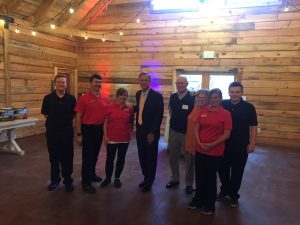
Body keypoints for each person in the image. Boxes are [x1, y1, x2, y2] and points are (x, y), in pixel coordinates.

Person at [187, 88, 232, 215]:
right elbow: (197, 128)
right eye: (212, 97)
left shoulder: (226, 114)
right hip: (200, 149)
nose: (213, 99)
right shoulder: (203, 111)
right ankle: (198, 200)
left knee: (210, 179)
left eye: (216, 97)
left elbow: (227, 134)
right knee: (200, 176)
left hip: (215, 151)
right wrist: (199, 142)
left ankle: (209, 204)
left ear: (220, 99)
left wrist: (212, 144)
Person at [217, 82, 258, 207]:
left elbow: (254, 126)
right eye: (232, 92)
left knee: (237, 171)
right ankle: (224, 191)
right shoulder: (222, 104)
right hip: (223, 144)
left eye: (237, 92)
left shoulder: (249, 107)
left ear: (242, 92)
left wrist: (252, 143)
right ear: (228, 92)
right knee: (222, 170)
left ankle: (233, 195)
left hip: (241, 145)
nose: (234, 94)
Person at [41, 74, 76, 192]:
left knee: (67, 157)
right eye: (59, 82)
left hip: (66, 133)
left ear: (66, 84)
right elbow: (45, 114)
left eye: (63, 82)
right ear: (55, 83)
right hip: (52, 133)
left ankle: (67, 180)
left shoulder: (72, 99)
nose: (61, 84)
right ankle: (55, 180)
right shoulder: (47, 98)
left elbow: (73, 114)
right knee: (54, 157)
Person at [75, 74, 109, 193]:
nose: (98, 84)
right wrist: (79, 134)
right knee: (87, 157)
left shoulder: (105, 97)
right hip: (87, 129)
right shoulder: (83, 98)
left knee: (95, 154)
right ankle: (86, 182)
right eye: (95, 82)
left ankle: (92, 174)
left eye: (99, 82)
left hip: (99, 130)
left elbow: (107, 116)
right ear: (91, 83)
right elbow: (78, 116)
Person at [166, 76, 195, 194]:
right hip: (174, 131)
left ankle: (189, 184)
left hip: (188, 133)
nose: (181, 85)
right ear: (176, 84)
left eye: (183, 83)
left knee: (189, 159)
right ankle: (175, 179)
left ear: (187, 84)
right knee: (173, 156)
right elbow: (171, 112)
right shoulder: (172, 97)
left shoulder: (193, 97)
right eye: (178, 83)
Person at [136, 72, 164, 193]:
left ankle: (149, 181)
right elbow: (139, 110)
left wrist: (152, 132)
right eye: (141, 80)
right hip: (139, 131)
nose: (143, 82)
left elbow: (158, 116)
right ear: (139, 81)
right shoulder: (138, 94)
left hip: (150, 133)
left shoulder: (157, 96)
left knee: (151, 157)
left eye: (146, 80)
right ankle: (146, 176)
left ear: (149, 81)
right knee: (142, 156)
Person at [101, 88, 134, 188]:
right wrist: (105, 136)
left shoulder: (130, 108)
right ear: (117, 96)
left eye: (125, 95)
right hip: (111, 138)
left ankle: (117, 178)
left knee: (121, 158)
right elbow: (105, 123)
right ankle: (107, 178)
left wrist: (130, 132)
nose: (123, 97)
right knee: (110, 159)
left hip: (124, 138)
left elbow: (131, 121)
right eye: (121, 95)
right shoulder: (109, 107)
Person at [185, 89, 209, 156]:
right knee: (189, 163)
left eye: (204, 97)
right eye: (199, 97)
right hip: (190, 139)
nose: (201, 99)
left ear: (208, 99)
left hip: (200, 142)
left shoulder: (209, 110)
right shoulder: (195, 107)